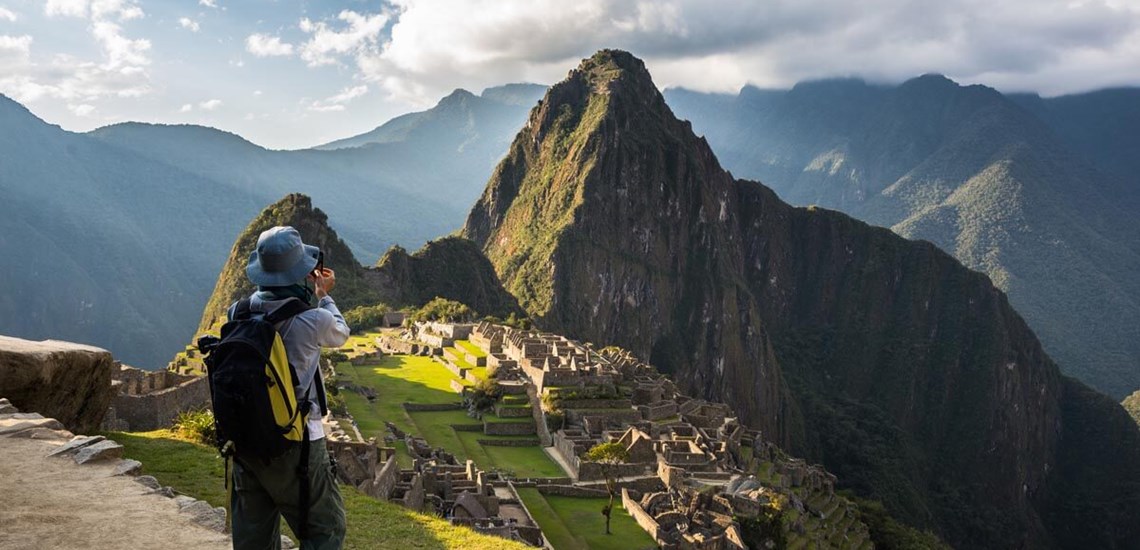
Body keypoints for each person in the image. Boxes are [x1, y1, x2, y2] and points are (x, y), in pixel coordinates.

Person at [229, 225, 349, 550]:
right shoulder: (314, 320)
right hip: (296, 442)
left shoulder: (238, 312)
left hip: (244, 439)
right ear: (301, 272)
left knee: (253, 535)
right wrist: (324, 294)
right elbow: (341, 332)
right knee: (325, 528)